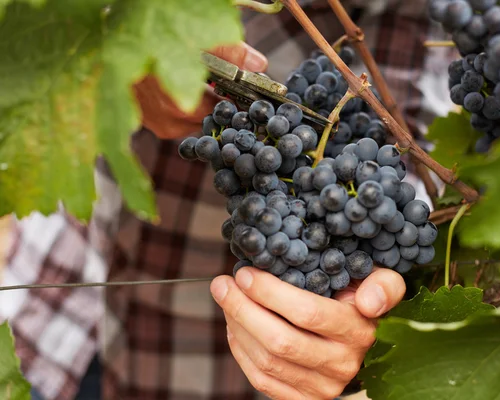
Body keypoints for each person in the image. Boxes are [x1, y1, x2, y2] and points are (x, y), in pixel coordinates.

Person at [0, 1, 455, 399]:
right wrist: (121, 40)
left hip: (218, 370)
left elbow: (401, 145)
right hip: (51, 319)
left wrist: (356, 299)